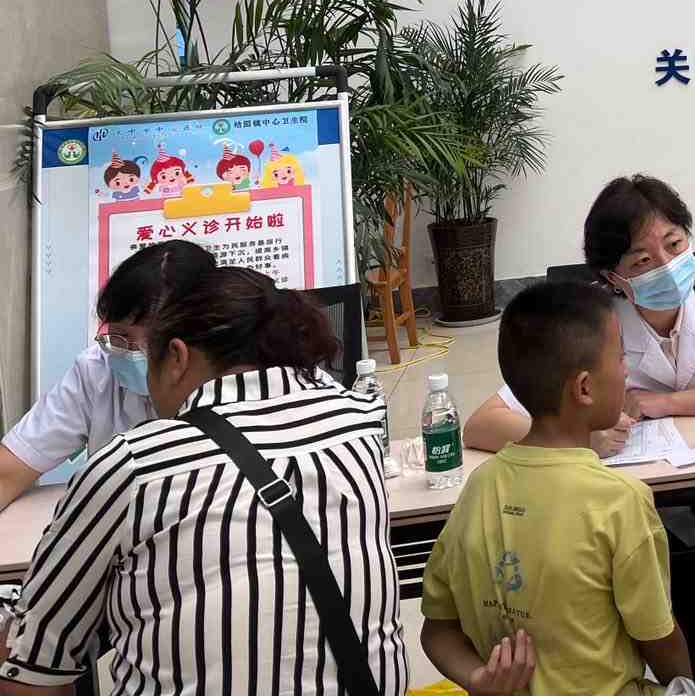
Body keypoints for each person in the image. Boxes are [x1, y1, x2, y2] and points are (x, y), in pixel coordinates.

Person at [0, 259, 408, 694]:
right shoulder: (359, 422)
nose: (127, 357)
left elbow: (33, 672)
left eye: (144, 349)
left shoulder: (130, 464)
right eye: (116, 339)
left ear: (176, 356)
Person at [463, 175, 695, 682]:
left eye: (675, 244)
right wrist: (578, 437)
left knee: (686, 575)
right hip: (623, 502)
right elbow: (481, 423)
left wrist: (663, 403)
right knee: (668, 577)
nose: (667, 265)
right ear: (613, 277)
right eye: (642, 261)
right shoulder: (594, 321)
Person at [421, 281, 695, 696]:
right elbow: (659, 640)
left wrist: (480, 679)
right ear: (584, 387)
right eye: (620, 357)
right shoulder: (620, 499)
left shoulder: (479, 487)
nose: (626, 371)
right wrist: (689, 687)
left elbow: (436, 629)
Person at [0, 239, 210, 513]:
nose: (129, 351)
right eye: (118, 337)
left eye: (148, 340)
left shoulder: (238, 383)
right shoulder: (96, 370)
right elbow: (10, 469)